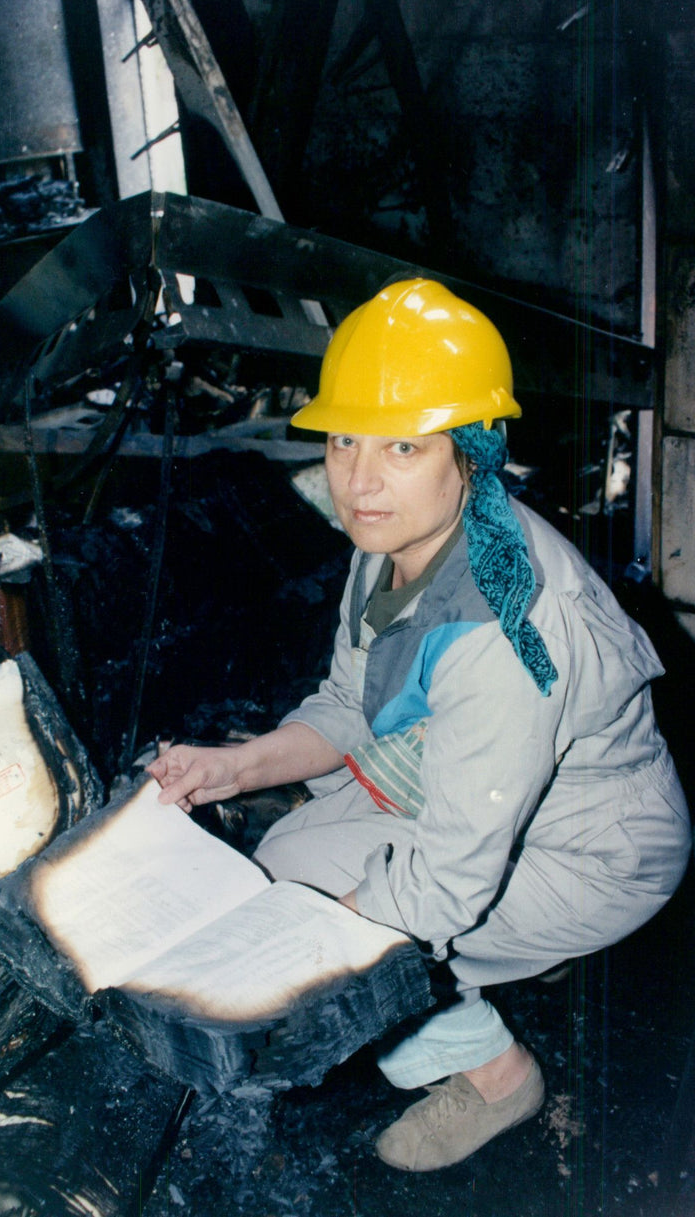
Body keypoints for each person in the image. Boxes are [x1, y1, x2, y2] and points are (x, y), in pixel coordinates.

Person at [149, 279, 691, 1171]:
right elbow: (345, 708)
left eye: (403, 445)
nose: (360, 480)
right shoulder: (395, 544)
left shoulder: (507, 623)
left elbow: (440, 886)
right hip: (488, 788)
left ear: (472, 453)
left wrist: (307, 955)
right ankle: (500, 958)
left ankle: (497, 1077)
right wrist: (235, 766)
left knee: (309, 901)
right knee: (290, 850)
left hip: (600, 853)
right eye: (344, 439)